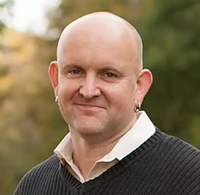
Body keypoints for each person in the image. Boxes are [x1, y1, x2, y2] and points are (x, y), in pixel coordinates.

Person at [15, 12, 200, 195]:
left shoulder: (191, 178)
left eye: (109, 75)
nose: (88, 91)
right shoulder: (33, 186)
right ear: (56, 80)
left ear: (140, 87)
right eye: (75, 71)